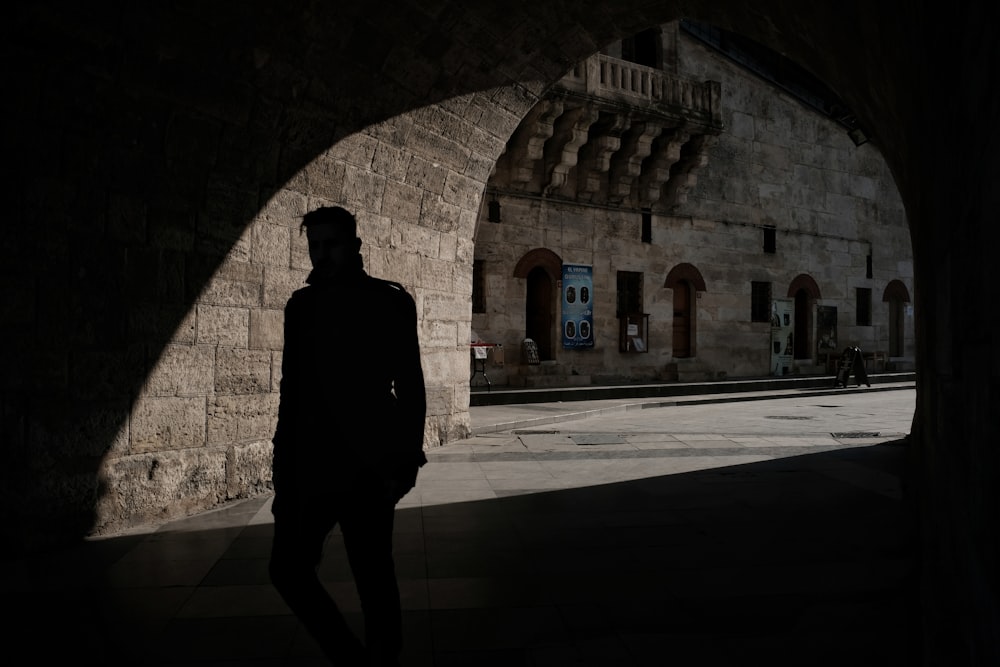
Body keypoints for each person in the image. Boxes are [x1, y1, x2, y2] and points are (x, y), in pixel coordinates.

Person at [269, 205, 427, 666]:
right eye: (314, 245)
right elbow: (291, 390)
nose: (322, 255)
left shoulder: (390, 301)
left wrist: (406, 459)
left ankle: (381, 659)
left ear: (355, 246)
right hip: (312, 463)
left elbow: (410, 385)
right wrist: (283, 469)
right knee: (287, 571)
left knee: (374, 577)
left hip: (368, 465)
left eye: (331, 244)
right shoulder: (301, 307)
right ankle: (353, 659)